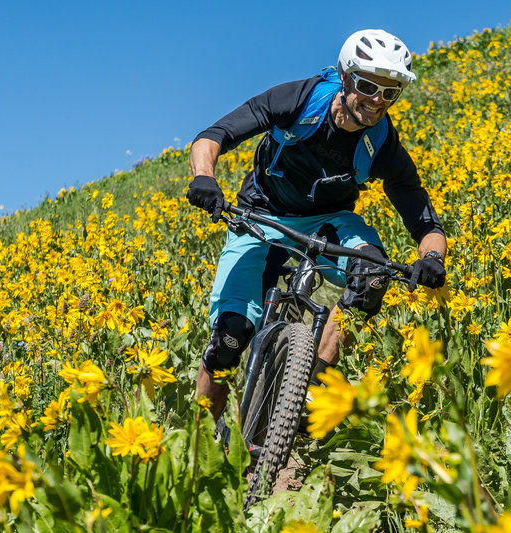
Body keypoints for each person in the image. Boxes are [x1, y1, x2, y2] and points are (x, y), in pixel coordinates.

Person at [187, 29, 447, 420]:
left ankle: (311, 390)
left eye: (390, 92)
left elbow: (424, 219)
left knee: (372, 275)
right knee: (229, 336)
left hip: (328, 221)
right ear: (345, 77)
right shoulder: (297, 99)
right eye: (368, 85)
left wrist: (431, 258)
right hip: (262, 212)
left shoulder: (382, 145)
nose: (377, 100)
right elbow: (214, 136)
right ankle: (200, 441)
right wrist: (205, 177)